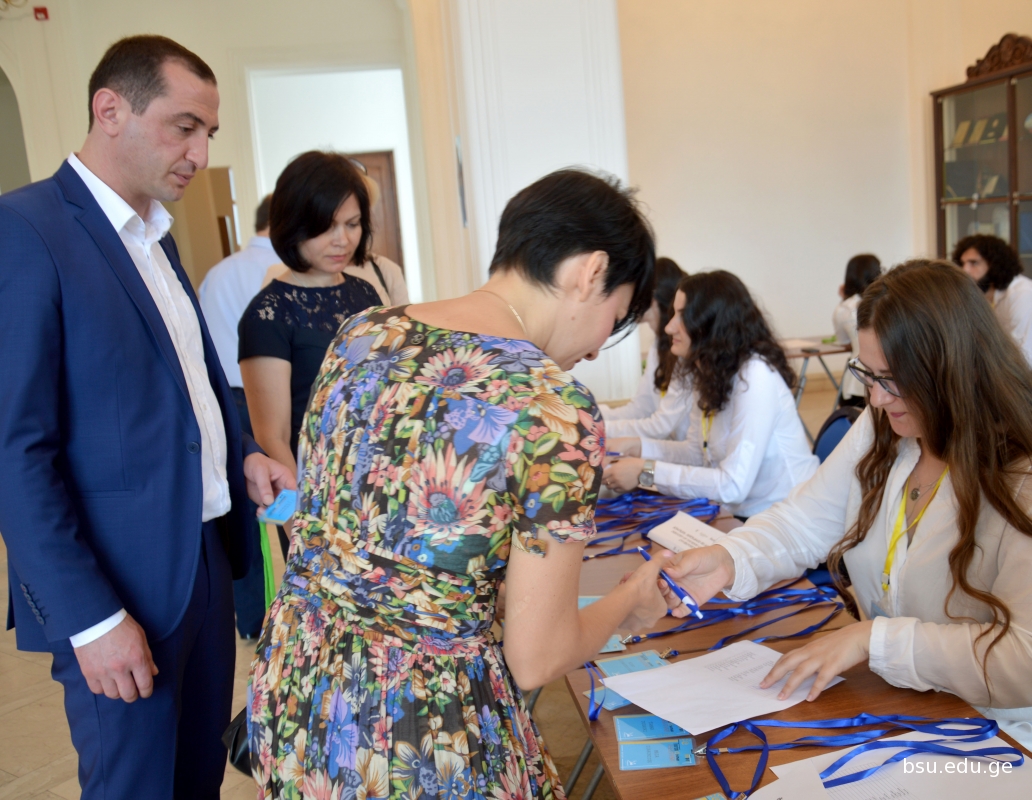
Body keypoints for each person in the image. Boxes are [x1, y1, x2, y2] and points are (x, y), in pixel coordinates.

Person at [247, 169, 672, 797]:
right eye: (615, 316)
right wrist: (630, 600)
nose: (597, 347)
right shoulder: (554, 407)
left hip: (298, 684)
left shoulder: (363, 333)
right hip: (418, 730)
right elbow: (537, 657)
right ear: (591, 271)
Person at [0, 36, 293, 799]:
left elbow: (181, 389)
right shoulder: (26, 229)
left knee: (196, 780)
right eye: (183, 127)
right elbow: (14, 450)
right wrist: (90, 619)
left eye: (209, 133)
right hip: (117, 578)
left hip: (204, 557)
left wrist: (241, 454)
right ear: (110, 111)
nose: (200, 153)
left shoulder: (155, 237)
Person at [662, 260, 1032, 750]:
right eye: (867, 374)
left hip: (999, 735)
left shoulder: (1020, 473)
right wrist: (731, 558)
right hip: (906, 706)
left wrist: (872, 640)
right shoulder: (888, 426)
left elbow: (1023, 657)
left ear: (952, 367)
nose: (875, 398)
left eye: (892, 378)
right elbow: (805, 521)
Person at [238, 151, 390, 557]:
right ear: (292, 226)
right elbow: (272, 436)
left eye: (352, 224)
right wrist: (302, 525)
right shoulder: (268, 314)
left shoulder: (365, 293)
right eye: (325, 227)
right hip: (317, 497)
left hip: (379, 481)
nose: (342, 240)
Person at [605, 270, 819, 519]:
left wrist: (646, 471)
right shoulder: (709, 371)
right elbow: (696, 454)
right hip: (744, 513)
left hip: (789, 516)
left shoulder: (755, 374)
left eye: (682, 316)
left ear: (712, 324)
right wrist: (637, 447)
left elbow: (732, 486)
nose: (669, 326)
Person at [199, 194, 282, 639]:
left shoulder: (217, 272)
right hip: (268, 399)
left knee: (241, 514)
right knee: (283, 501)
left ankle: (250, 619)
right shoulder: (281, 271)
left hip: (224, 402)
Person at [600, 256, 692, 440]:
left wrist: (598, 427)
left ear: (652, 296)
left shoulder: (683, 348)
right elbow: (641, 408)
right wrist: (596, 416)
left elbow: (661, 426)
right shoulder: (658, 346)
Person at [953, 234, 1032, 364]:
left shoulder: (1021, 295)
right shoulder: (986, 297)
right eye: (962, 263)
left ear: (995, 265)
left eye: (974, 263)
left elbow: (1026, 357)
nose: (964, 270)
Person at [833, 253, 881, 407]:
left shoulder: (844, 308)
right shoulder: (885, 301)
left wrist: (844, 299)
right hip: (885, 380)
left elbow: (843, 341)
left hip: (857, 379)